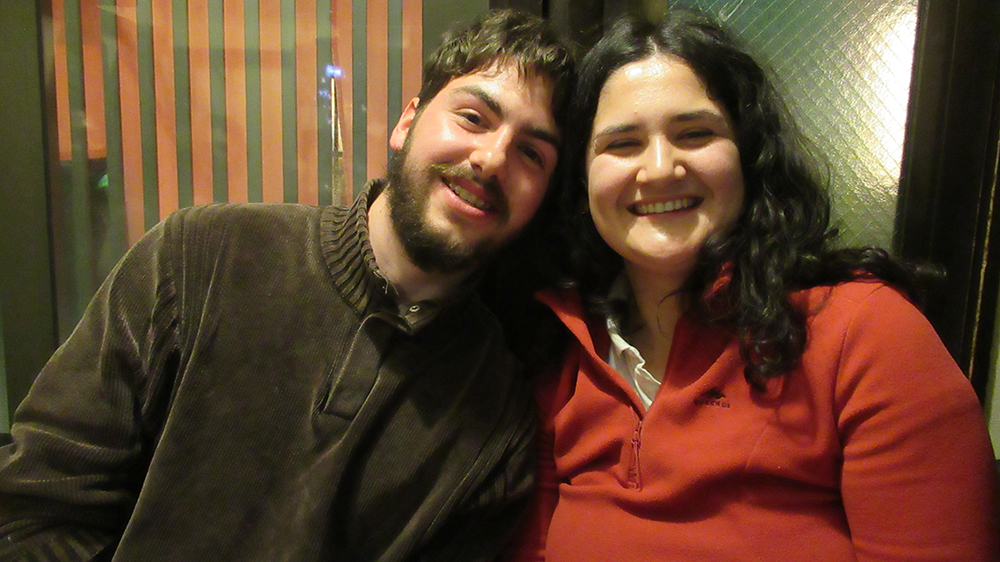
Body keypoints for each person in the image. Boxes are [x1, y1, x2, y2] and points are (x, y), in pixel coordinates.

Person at [0, 9, 575, 562]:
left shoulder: (497, 425)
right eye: (473, 118)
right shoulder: (199, 256)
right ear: (407, 122)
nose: (492, 159)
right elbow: (36, 508)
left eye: (531, 153)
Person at [505, 10, 1000, 562]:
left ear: (748, 153)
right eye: (622, 144)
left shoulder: (867, 333)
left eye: (695, 134)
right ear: (582, 177)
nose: (660, 168)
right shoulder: (559, 352)